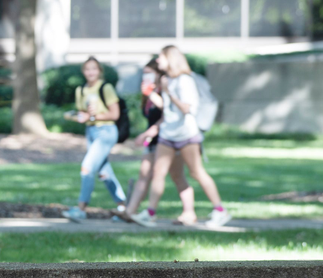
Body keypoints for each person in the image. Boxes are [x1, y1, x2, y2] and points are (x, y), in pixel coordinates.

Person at [131, 46, 231, 228]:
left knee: (196, 172)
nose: (159, 60)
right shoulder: (166, 79)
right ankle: (150, 213)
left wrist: (169, 92)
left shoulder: (185, 80)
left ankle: (220, 211)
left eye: (161, 56)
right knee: (159, 173)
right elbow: (167, 108)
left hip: (187, 134)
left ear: (170, 58)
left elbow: (187, 108)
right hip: (168, 134)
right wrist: (152, 94)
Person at [115, 58, 196, 225]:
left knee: (177, 176)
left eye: (149, 73)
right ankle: (131, 211)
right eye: (144, 73)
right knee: (144, 174)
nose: (146, 76)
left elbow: (168, 114)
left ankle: (188, 212)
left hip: (169, 138)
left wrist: (148, 133)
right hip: (154, 141)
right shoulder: (150, 93)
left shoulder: (165, 90)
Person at [62, 56, 127, 221]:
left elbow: (115, 114)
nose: (90, 72)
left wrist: (93, 116)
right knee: (104, 172)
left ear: (99, 71)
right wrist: (79, 117)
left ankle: (81, 209)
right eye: (87, 69)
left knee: (87, 167)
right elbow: (82, 114)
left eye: (94, 68)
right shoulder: (81, 90)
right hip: (91, 132)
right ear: (83, 72)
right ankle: (124, 207)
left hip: (106, 132)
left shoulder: (106, 88)